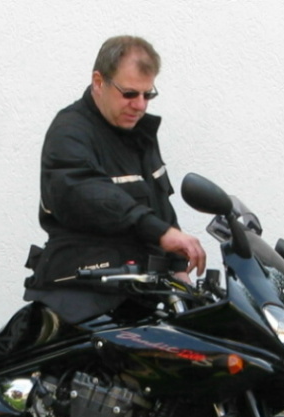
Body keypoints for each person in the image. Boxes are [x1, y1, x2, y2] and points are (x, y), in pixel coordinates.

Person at [23, 35, 206, 325]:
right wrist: (160, 232)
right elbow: (87, 194)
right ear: (99, 82)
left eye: (148, 95)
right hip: (81, 301)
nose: (140, 105)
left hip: (137, 297)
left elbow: (160, 206)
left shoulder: (139, 134)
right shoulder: (70, 132)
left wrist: (178, 268)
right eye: (130, 93)